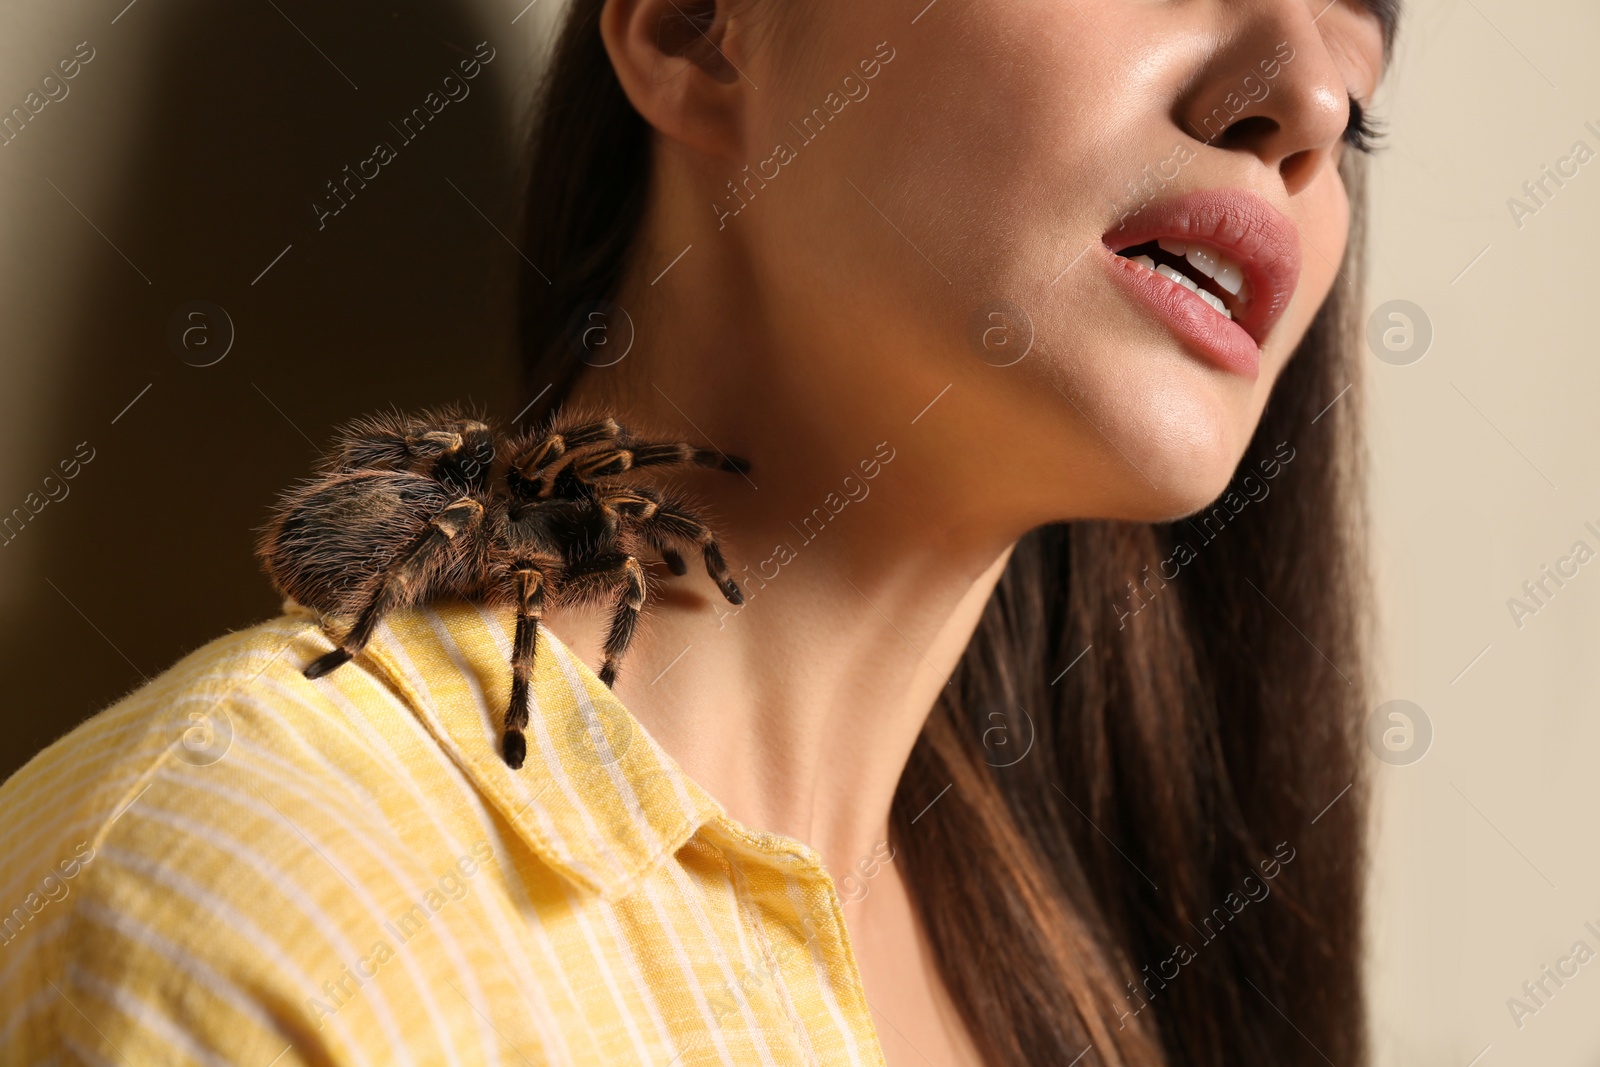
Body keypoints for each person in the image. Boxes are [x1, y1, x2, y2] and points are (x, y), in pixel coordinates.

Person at [0, 0, 1396, 1063]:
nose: (1314, 97)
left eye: (1368, 78)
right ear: (691, 26)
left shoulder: (1089, 978)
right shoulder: (257, 899)